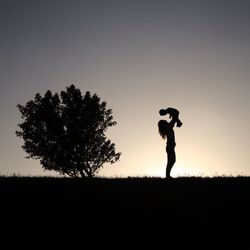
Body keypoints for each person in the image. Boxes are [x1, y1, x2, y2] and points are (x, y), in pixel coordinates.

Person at [158, 108, 182, 178]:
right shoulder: (168, 127)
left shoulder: (169, 127)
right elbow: (174, 119)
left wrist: (176, 119)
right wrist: (176, 118)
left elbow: (174, 119)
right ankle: (167, 176)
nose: (167, 121)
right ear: (164, 124)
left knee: (172, 161)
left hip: (170, 146)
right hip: (170, 146)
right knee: (171, 161)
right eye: (165, 121)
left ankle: (168, 175)